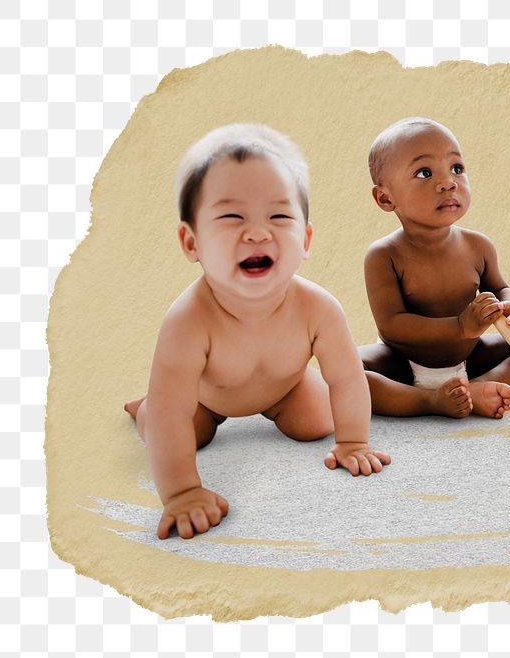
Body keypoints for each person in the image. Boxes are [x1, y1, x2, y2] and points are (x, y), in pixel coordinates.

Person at [125, 124, 388, 539]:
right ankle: (144, 405)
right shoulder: (187, 321)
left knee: (317, 420)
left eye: (279, 216)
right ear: (191, 243)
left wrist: (353, 441)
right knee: (173, 426)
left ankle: (292, 404)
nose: (257, 232)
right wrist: (182, 492)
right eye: (232, 217)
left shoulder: (318, 307)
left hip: (285, 388)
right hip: (205, 399)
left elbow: (347, 377)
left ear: (304, 238)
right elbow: (171, 415)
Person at [360, 117, 510, 419]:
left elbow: (499, 287)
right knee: (348, 371)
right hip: (404, 363)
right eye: (424, 173)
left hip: (469, 356)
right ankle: (428, 400)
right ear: (385, 197)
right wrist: (460, 326)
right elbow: (392, 325)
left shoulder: (478, 246)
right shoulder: (384, 255)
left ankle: (474, 387)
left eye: (457, 169)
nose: (448, 182)